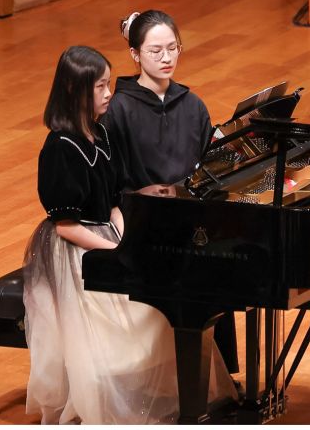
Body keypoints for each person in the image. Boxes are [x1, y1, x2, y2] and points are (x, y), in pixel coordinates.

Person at [22, 45, 229, 424]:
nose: (108, 94)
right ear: (74, 90)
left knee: (164, 304)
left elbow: (115, 201)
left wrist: (123, 236)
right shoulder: (59, 148)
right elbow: (66, 226)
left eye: (108, 84)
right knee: (125, 318)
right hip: (74, 249)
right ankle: (111, 402)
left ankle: (165, 394)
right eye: (100, 87)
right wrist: (114, 249)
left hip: (105, 234)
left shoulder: (101, 133)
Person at [101, 10, 239, 374]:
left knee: (226, 257)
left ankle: (219, 374)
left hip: (190, 218)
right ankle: (184, 374)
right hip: (141, 222)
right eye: (155, 51)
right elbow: (108, 181)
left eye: (173, 48)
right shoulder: (118, 110)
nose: (166, 58)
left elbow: (209, 169)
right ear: (135, 54)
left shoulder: (192, 105)